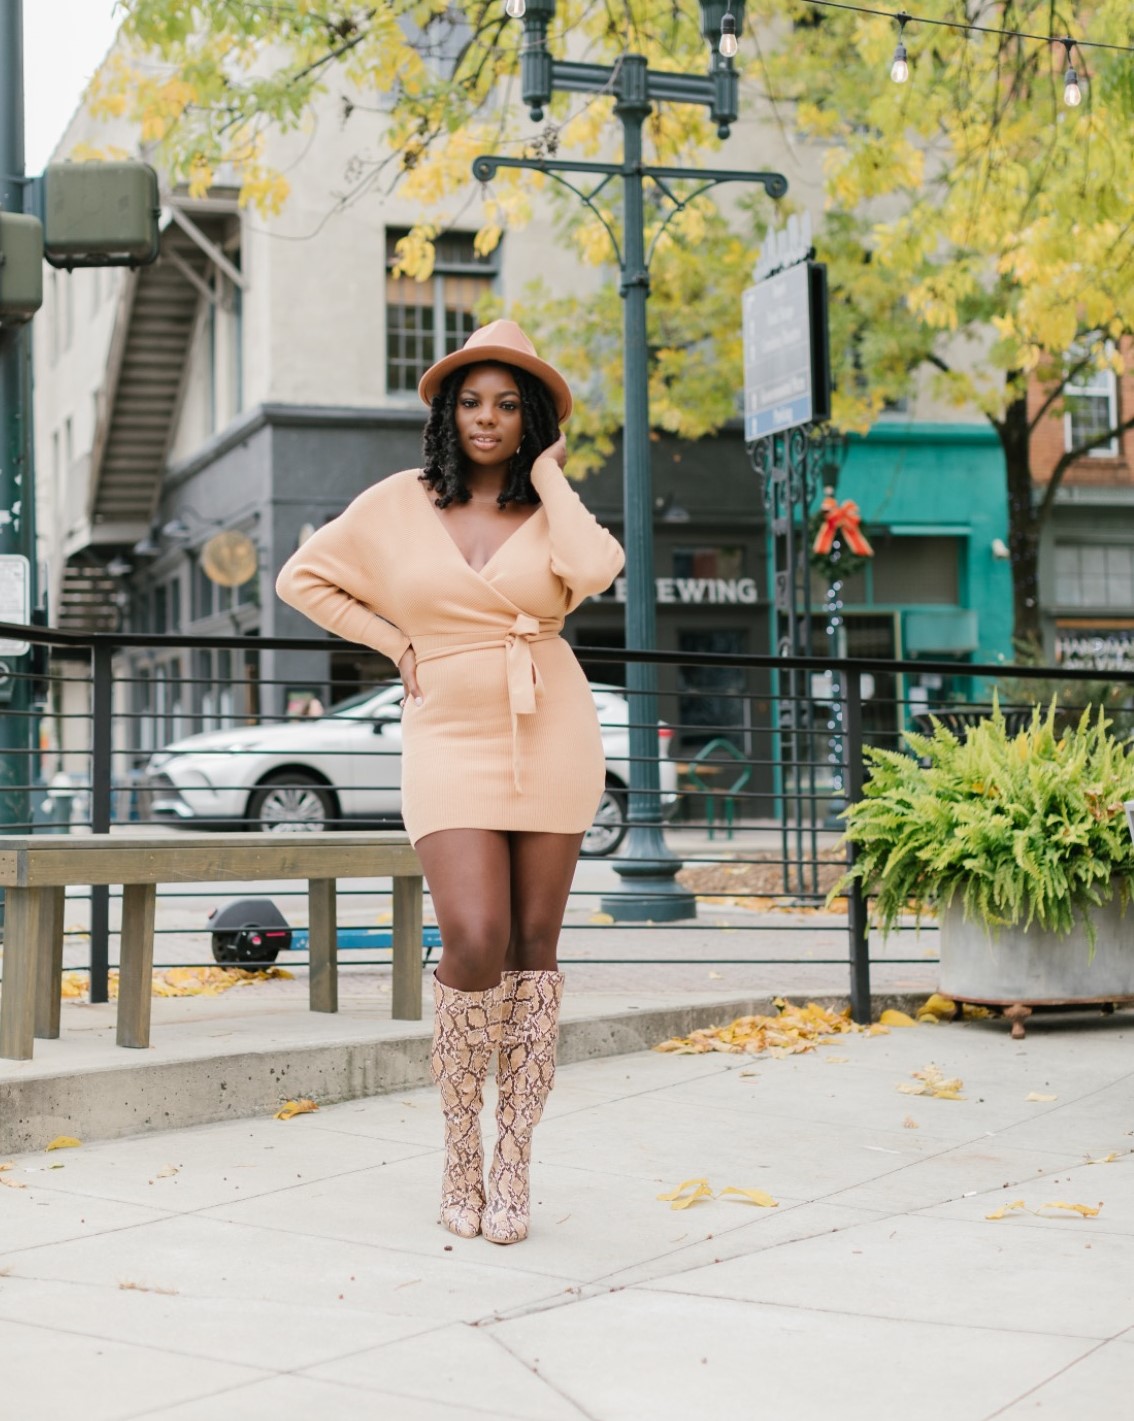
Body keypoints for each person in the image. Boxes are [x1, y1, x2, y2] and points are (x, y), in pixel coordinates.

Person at [275, 321, 624, 1244]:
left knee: (534, 947)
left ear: (531, 418)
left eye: (510, 404)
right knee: (474, 934)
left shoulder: (552, 511)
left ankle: (513, 1163)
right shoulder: (397, 502)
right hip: (448, 737)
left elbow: (597, 570)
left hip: (553, 727)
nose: (488, 417)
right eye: (472, 400)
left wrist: (550, 474)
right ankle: (459, 1149)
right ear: (446, 410)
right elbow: (302, 578)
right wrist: (395, 642)